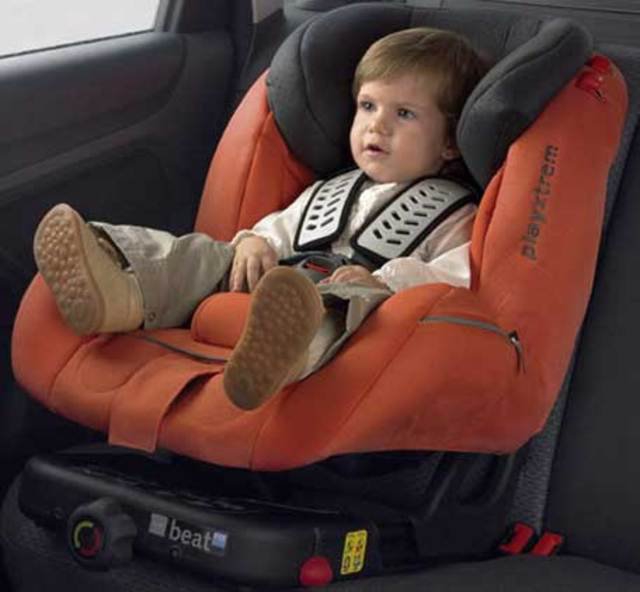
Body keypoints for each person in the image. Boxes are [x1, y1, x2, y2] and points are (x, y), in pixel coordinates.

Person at [33, 27, 488, 411]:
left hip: (353, 304)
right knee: (204, 256)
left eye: (404, 114)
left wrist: (385, 282)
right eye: (368, 106)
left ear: (450, 142)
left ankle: (281, 357)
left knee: (337, 312)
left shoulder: (454, 213)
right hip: (275, 281)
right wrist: (254, 242)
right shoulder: (331, 188)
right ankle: (121, 287)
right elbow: (282, 228)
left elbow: (455, 278)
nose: (377, 125)